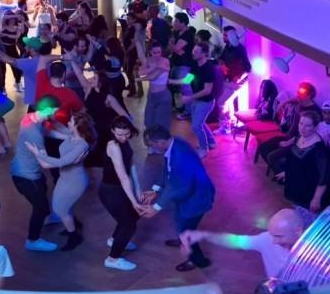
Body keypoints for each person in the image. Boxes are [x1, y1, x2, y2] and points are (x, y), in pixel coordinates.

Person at [144, 125, 216, 271]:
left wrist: (156, 207)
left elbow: (180, 187)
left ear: (159, 142)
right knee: (180, 221)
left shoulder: (181, 155)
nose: (152, 148)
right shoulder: (173, 143)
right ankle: (181, 238)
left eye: (151, 145)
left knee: (187, 230)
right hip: (188, 195)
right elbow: (167, 170)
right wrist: (155, 189)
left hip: (196, 198)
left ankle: (197, 260)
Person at [26, 109, 91, 251]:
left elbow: (60, 162)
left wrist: (37, 153)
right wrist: (45, 122)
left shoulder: (81, 145)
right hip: (65, 178)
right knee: (61, 206)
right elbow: (55, 130)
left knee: (60, 209)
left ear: (77, 127)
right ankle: (73, 224)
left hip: (75, 182)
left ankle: (74, 236)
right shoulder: (72, 135)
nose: (68, 122)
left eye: (71, 122)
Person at [181, 208, 304, 280]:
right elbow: (236, 241)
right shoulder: (267, 239)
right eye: (272, 235)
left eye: (279, 236)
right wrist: (205, 235)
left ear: (298, 231)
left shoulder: (316, 252)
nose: (274, 241)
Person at [100, 116, 153, 271]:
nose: (123, 138)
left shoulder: (124, 141)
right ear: (112, 131)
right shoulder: (113, 146)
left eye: (126, 134)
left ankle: (114, 239)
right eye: (119, 134)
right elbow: (123, 176)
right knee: (129, 224)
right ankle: (112, 259)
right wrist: (134, 201)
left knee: (132, 216)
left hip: (121, 188)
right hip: (110, 190)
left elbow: (131, 166)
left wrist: (138, 190)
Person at [9, 111, 58, 253]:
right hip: (26, 177)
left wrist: (69, 137)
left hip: (26, 172)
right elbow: (45, 163)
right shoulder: (34, 133)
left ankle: (48, 217)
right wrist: (68, 161)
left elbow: (49, 132)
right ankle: (32, 240)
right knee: (40, 207)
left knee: (43, 188)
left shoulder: (31, 119)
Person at [283, 111, 330, 217]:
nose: (302, 128)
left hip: (308, 192)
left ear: (315, 127)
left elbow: (324, 175)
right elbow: (294, 160)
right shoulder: (299, 137)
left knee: (307, 220)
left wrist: (317, 198)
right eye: (301, 123)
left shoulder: (319, 148)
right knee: (297, 213)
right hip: (295, 186)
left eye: (307, 125)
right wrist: (286, 173)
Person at [180, 43, 218, 155]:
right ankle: (211, 142)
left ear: (204, 54)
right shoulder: (194, 64)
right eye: (193, 50)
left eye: (196, 52)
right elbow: (188, 79)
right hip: (197, 99)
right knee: (199, 123)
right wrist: (173, 82)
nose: (193, 53)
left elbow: (207, 90)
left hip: (206, 101)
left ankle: (203, 148)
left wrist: (189, 98)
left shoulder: (209, 68)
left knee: (196, 126)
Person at [139, 43, 174, 134]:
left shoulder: (165, 61)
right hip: (151, 95)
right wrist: (153, 67)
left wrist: (140, 78)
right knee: (148, 122)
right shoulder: (148, 60)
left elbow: (152, 77)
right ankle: (152, 143)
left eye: (159, 52)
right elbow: (140, 72)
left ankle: (160, 145)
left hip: (163, 96)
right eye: (155, 52)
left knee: (161, 124)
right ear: (150, 52)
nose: (157, 54)